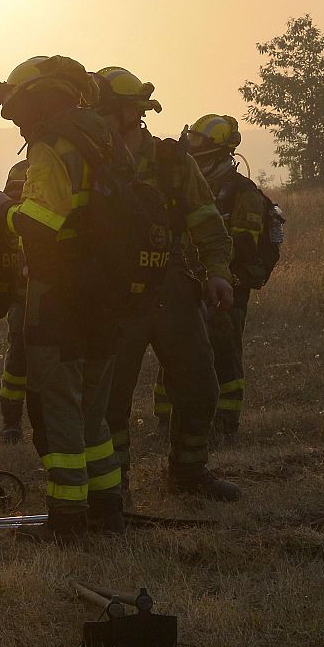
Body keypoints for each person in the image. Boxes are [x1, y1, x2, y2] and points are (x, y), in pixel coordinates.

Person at [93, 67, 240, 503]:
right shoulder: (90, 162)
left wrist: (217, 271)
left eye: (102, 112)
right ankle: (113, 485)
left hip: (170, 285)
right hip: (112, 292)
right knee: (110, 399)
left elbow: (205, 219)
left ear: (127, 113)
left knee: (199, 387)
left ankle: (190, 472)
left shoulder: (173, 163)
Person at [0, 56, 124, 539]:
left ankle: (68, 519)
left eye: (20, 108)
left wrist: (1, 211)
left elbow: (42, 226)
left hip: (61, 293)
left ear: (42, 99)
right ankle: (107, 508)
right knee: (93, 408)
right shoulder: (104, 140)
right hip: (105, 292)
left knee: (61, 407)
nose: (18, 120)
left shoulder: (51, 147)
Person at [160, 114, 280, 443]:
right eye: (191, 138)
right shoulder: (190, 184)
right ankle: (165, 420)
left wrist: (221, 276)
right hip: (190, 282)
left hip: (229, 286)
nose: (191, 146)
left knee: (224, 353)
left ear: (219, 150)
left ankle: (226, 423)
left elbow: (244, 248)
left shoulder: (243, 194)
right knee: (175, 352)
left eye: (199, 142)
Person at [0, 159, 30, 445]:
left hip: (55, 300)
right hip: (21, 303)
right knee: (17, 361)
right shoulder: (3, 226)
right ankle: (11, 422)